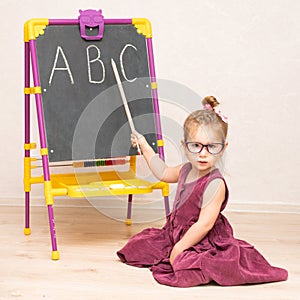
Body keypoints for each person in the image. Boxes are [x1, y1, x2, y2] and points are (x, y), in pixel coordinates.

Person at [117, 96, 288, 287]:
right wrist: (144, 144)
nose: (203, 153)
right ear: (185, 146)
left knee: (187, 267)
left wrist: (180, 248)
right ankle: (177, 249)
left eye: (211, 147)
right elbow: (163, 172)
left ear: (223, 148)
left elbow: (204, 225)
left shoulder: (214, 184)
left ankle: (198, 261)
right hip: (174, 234)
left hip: (202, 240)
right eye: (196, 146)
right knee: (137, 247)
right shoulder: (185, 170)